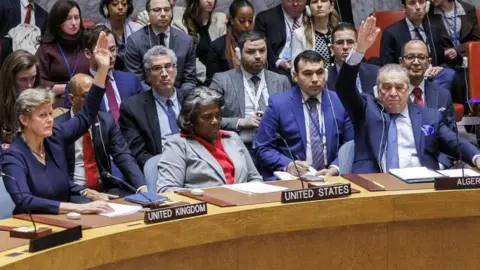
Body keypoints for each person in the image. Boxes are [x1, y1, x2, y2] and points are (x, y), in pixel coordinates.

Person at [336, 16, 480, 174]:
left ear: (408, 90)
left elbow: (455, 142)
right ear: (377, 89)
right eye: (386, 87)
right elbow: (344, 87)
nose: (393, 93)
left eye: (399, 87)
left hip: (419, 183)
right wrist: (359, 51)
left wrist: (477, 157)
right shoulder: (365, 109)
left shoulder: (429, 116)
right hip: (376, 183)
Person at [1, 31, 114, 215]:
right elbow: (24, 199)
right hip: (32, 226)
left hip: (65, 221)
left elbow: (86, 115)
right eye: (42, 115)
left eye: (50, 113)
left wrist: (102, 70)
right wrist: (78, 207)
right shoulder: (13, 156)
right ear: (24, 120)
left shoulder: (55, 137)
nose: (50, 119)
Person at [255, 50, 354, 180]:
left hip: (332, 177)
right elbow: (263, 148)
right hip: (292, 179)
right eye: (307, 74)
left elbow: (351, 144)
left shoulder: (339, 102)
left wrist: (335, 168)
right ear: (295, 76)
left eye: (319, 73)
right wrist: (288, 165)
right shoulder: (278, 104)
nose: (315, 79)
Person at [56, 74, 147, 196]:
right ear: (72, 99)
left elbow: (123, 156)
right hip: (76, 192)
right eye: (88, 96)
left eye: (97, 95)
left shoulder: (106, 121)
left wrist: (142, 187)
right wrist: (84, 192)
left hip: (105, 188)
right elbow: (55, 173)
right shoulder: (58, 127)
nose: (95, 100)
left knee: (133, 203)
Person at [157, 87, 262, 193]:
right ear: (190, 120)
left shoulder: (233, 138)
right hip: (206, 206)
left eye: (218, 115)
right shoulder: (177, 144)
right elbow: (167, 190)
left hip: (244, 204)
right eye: (207, 117)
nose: (215, 121)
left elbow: (254, 178)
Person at [210, 31, 291, 155]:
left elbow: (291, 119)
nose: (258, 56)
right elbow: (209, 119)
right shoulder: (222, 80)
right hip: (236, 149)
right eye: (250, 52)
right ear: (239, 54)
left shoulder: (281, 80)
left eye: (262, 50)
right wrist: (241, 122)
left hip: (274, 148)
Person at [120, 46, 186, 170]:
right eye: (157, 69)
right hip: (160, 168)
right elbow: (139, 154)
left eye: (168, 66)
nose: (164, 74)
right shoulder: (132, 108)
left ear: (175, 70)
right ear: (148, 76)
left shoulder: (191, 99)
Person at [64, 25, 143, 122]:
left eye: (113, 49)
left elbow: (143, 115)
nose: (110, 56)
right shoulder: (77, 86)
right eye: (103, 51)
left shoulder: (131, 80)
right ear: (88, 53)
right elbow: (75, 123)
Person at [399, 39, 456, 168]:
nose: (416, 62)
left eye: (421, 57)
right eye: (410, 57)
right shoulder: (391, 94)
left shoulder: (442, 95)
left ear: (429, 62)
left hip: (435, 166)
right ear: (401, 62)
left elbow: (451, 140)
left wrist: (439, 166)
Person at [380, 0, 455, 92]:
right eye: (412, 3)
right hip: (406, 78)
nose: (418, 7)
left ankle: (430, 100)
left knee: (448, 73)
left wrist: (439, 68)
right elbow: (387, 66)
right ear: (404, 8)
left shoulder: (433, 30)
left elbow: (441, 60)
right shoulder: (391, 32)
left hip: (432, 76)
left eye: (421, 2)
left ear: (426, 5)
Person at [124, 0, 196, 93]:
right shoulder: (135, 41)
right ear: (148, 14)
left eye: (167, 9)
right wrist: (158, 98)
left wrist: (176, 97)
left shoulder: (186, 41)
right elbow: (136, 80)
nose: (163, 14)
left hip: (179, 97)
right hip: (148, 98)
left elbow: (189, 80)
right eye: (157, 10)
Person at [35, 0, 89, 108]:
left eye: (76, 18)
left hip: (86, 99)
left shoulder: (87, 42)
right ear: (58, 22)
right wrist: (65, 88)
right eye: (68, 18)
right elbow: (37, 82)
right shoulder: (46, 48)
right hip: (57, 102)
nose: (74, 23)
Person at [205, 0, 255, 86]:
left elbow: (269, 70)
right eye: (242, 21)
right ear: (231, 19)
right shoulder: (217, 46)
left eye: (250, 21)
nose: (247, 25)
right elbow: (212, 81)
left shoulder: (260, 42)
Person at [255, 0, 307, 77]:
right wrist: (279, 62)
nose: (295, 4)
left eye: (299, 0)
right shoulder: (265, 18)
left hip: (307, 62)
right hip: (278, 67)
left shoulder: (313, 16)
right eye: (290, 0)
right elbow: (263, 48)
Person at [0, 50, 41, 147]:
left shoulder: (40, 100)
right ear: (11, 79)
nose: (30, 85)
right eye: (23, 79)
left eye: (33, 78)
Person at [172, 0, 227, 70]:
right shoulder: (181, 24)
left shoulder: (219, 20)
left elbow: (224, 54)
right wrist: (209, 77)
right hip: (194, 75)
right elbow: (185, 58)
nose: (210, 1)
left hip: (218, 74)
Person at [327, 22, 378, 95]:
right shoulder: (325, 78)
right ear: (332, 49)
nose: (345, 47)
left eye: (350, 42)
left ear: (357, 46)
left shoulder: (376, 73)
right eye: (340, 42)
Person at [428, 0, 480, 65]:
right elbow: (429, 42)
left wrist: (457, 50)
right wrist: (444, 51)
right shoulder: (428, 13)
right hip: (444, 60)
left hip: (467, 55)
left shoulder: (468, 8)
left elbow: (476, 39)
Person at [291, 0, 340, 67]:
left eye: (324, 1)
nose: (319, 5)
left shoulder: (341, 30)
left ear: (331, 6)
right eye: (314, 2)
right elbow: (295, 68)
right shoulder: (299, 34)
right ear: (308, 8)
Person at [99, 0, 143, 70]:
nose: (120, 7)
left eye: (124, 4)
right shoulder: (98, 31)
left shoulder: (138, 29)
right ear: (106, 8)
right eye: (115, 4)